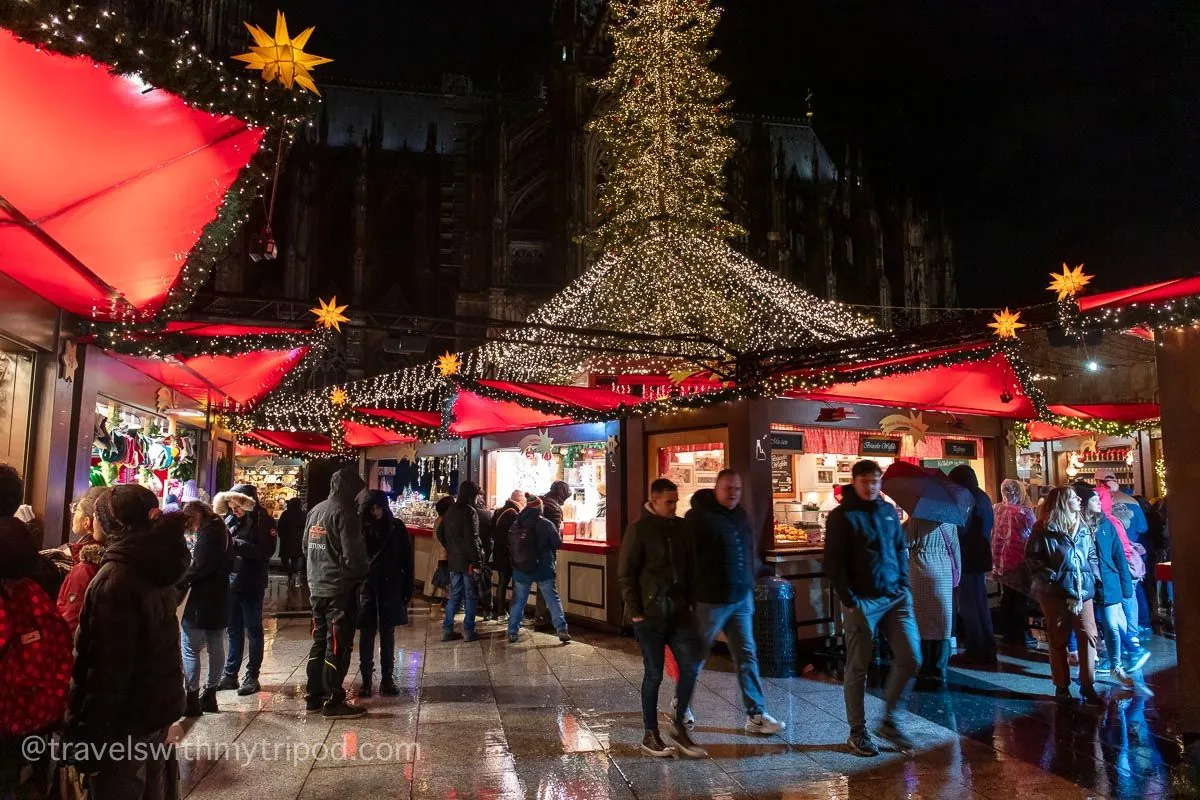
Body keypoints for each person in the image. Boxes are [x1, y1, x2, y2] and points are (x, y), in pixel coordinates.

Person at [66, 485, 190, 799]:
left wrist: (89, 738)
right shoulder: (153, 565)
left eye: (96, 516)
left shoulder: (116, 578)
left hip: (125, 724)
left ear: (113, 524)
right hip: (154, 711)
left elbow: (107, 669)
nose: (91, 521)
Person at [825, 460, 921, 756]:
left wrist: (904, 585)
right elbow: (833, 562)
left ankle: (890, 719)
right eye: (865, 480)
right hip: (862, 601)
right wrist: (850, 600)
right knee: (858, 667)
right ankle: (858, 732)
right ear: (853, 482)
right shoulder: (842, 517)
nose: (870, 486)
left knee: (911, 656)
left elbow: (898, 549)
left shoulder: (888, 512)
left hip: (895, 596)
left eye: (875, 481)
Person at [687, 470, 785, 736]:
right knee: (697, 654)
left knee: (746, 655)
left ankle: (756, 714)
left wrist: (749, 582)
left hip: (740, 598)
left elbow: (747, 550)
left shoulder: (740, 515)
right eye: (728, 488)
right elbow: (688, 559)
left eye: (738, 489)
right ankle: (681, 705)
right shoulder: (698, 518)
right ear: (716, 488)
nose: (733, 493)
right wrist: (690, 596)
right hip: (711, 599)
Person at [618, 478, 706, 758]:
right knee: (654, 673)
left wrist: (691, 602)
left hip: (679, 611)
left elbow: (692, 566)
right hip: (650, 614)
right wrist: (636, 611)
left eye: (676, 501)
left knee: (690, 667)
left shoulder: (681, 528)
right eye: (669, 502)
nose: (673, 507)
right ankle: (650, 733)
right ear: (654, 500)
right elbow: (626, 573)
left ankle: (679, 728)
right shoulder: (639, 530)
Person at [1024, 486, 1102, 705]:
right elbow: (1032, 557)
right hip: (1055, 593)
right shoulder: (1043, 528)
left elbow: (1092, 554)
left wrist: (1093, 575)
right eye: (1073, 497)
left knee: (1088, 635)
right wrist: (1051, 576)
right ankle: (1062, 686)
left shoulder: (1083, 526)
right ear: (1062, 502)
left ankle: (1088, 684)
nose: (1078, 499)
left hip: (1082, 591)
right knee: (1058, 638)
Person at [305, 467, 370, 718]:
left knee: (320, 640)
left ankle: (314, 695)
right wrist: (361, 574)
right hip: (339, 590)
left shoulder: (316, 511)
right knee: (338, 644)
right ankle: (333, 698)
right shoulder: (346, 514)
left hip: (317, 586)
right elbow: (354, 556)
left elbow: (305, 547)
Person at [215, 485, 276, 696]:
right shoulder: (230, 520)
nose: (235, 510)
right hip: (231, 583)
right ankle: (230, 674)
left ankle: (252, 675)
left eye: (238, 505)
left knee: (254, 630)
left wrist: (237, 544)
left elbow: (265, 551)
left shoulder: (262, 521)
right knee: (233, 631)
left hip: (251, 583)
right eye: (231, 506)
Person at [1074, 484, 1135, 688]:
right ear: (1084, 504)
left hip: (1107, 582)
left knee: (1112, 625)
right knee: (1088, 629)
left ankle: (1116, 666)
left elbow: (1118, 555)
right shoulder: (1076, 526)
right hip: (1086, 583)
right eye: (1095, 500)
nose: (1100, 503)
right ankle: (1088, 673)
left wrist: (1126, 587)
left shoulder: (1106, 524)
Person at [179, 500, 235, 716]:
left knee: (190, 647)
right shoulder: (223, 529)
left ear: (196, 516)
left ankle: (192, 697)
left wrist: (180, 581)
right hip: (220, 595)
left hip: (202, 599)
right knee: (216, 644)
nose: (191, 527)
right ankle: (210, 694)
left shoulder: (208, 533)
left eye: (190, 522)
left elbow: (199, 567)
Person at [357, 490, 413, 697]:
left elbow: (407, 558)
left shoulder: (396, 527)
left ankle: (387, 677)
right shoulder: (361, 527)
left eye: (379, 507)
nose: (376, 512)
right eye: (372, 508)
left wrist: (407, 586)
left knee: (387, 632)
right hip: (368, 586)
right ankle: (366, 678)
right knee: (367, 632)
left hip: (390, 586)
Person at [948, 464, 997, 667]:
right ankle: (988, 648)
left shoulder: (966, 498)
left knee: (969, 606)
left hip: (967, 557)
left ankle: (975, 649)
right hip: (981, 556)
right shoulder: (983, 496)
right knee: (980, 604)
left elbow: (962, 530)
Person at [1094, 468, 1152, 634]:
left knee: (1116, 597)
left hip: (1113, 557)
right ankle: (1142, 625)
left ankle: (1124, 634)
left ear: (1098, 482)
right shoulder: (1131, 501)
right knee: (1133, 591)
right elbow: (1143, 527)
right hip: (1132, 554)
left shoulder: (1099, 504)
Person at [906, 517, 960, 689]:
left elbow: (908, 542)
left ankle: (924, 666)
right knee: (942, 620)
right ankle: (940, 668)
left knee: (923, 619)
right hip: (943, 570)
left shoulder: (917, 519)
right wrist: (957, 575)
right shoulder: (950, 521)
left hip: (921, 568)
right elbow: (955, 549)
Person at [506, 495, 570, 643]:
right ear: (539, 508)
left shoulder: (517, 523)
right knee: (552, 598)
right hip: (543, 568)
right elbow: (557, 543)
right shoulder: (546, 524)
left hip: (521, 568)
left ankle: (512, 631)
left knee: (519, 600)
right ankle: (561, 630)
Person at [992, 479, 1037, 649]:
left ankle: (1008, 633)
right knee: (1020, 598)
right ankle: (1022, 633)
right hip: (1020, 560)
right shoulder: (1024, 512)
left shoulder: (997, 509)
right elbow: (1032, 535)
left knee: (1008, 596)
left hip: (1001, 561)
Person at [57, 486, 108, 634]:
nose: (73, 514)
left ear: (88, 521)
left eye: (76, 509)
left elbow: (71, 621)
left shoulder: (85, 566)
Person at [439, 481, 485, 642]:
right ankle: (468, 630)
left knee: (455, 595)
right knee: (471, 596)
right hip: (468, 562)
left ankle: (447, 629)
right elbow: (472, 540)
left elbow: (440, 532)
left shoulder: (451, 510)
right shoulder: (469, 512)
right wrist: (477, 563)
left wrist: (451, 548)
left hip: (454, 560)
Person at [488, 490, 525, 621]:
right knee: (515, 584)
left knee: (502, 583)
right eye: (524, 500)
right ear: (519, 499)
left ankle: (500, 612)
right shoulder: (514, 513)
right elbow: (515, 536)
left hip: (499, 552)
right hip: (510, 554)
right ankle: (513, 614)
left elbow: (492, 531)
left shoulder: (499, 511)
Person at [424, 496, 454, 603]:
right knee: (443, 577)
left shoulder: (438, 520)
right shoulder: (446, 521)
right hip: (443, 552)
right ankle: (441, 597)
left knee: (434, 574)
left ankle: (430, 594)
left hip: (435, 550)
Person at [278, 497, 307, 588]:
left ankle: (290, 575)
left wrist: (282, 537)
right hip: (298, 542)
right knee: (296, 560)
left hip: (286, 542)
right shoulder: (303, 515)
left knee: (285, 560)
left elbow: (280, 527)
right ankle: (295, 575)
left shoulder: (285, 514)